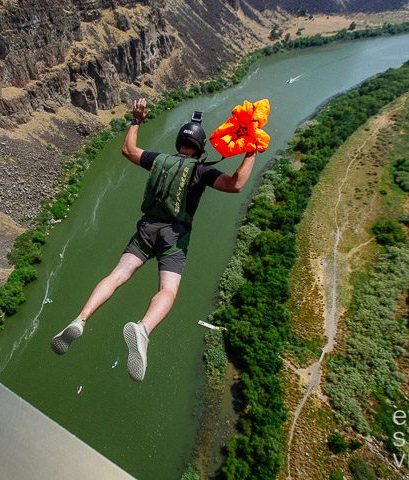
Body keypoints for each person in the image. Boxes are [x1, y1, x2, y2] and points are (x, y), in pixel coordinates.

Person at [51, 98, 256, 381]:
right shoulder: (201, 170)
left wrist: (136, 120)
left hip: (146, 229)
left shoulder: (159, 160)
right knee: (168, 290)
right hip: (174, 236)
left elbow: (128, 150)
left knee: (118, 275)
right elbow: (236, 185)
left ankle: (80, 318)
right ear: (200, 147)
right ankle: (143, 329)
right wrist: (252, 151)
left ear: (178, 143)